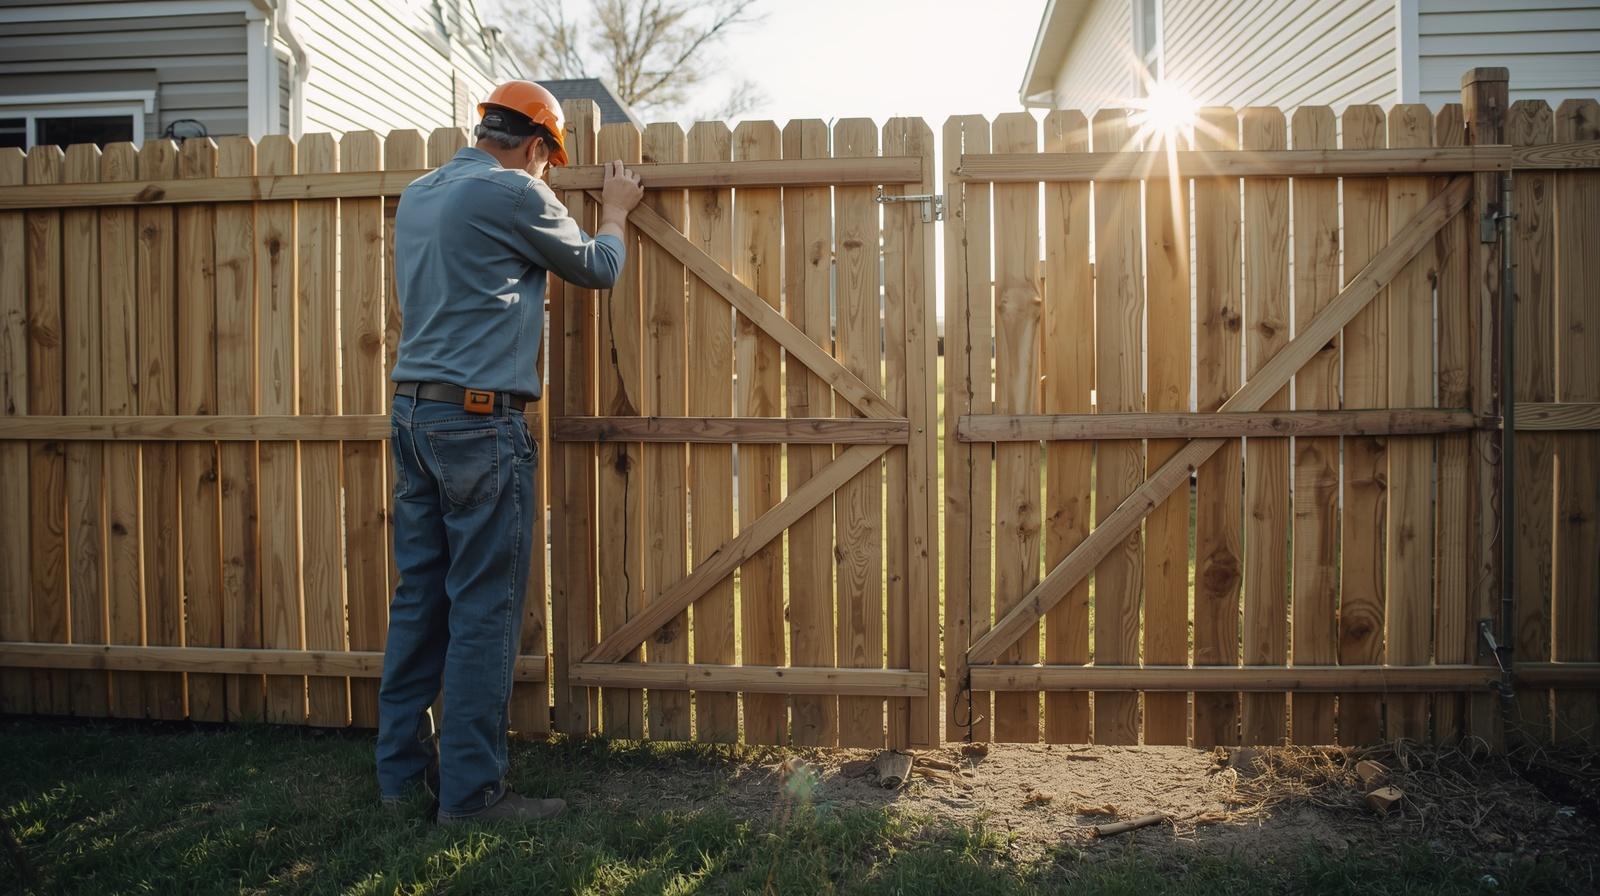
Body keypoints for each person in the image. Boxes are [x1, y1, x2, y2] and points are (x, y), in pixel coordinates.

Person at [376, 79, 643, 824]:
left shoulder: (423, 192)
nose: (547, 173)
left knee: (419, 600)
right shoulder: (514, 194)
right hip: (478, 426)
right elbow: (597, 266)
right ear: (535, 146)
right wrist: (616, 213)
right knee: (484, 612)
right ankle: (472, 796)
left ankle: (400, 778)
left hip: (413, 417)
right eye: (547, 161)